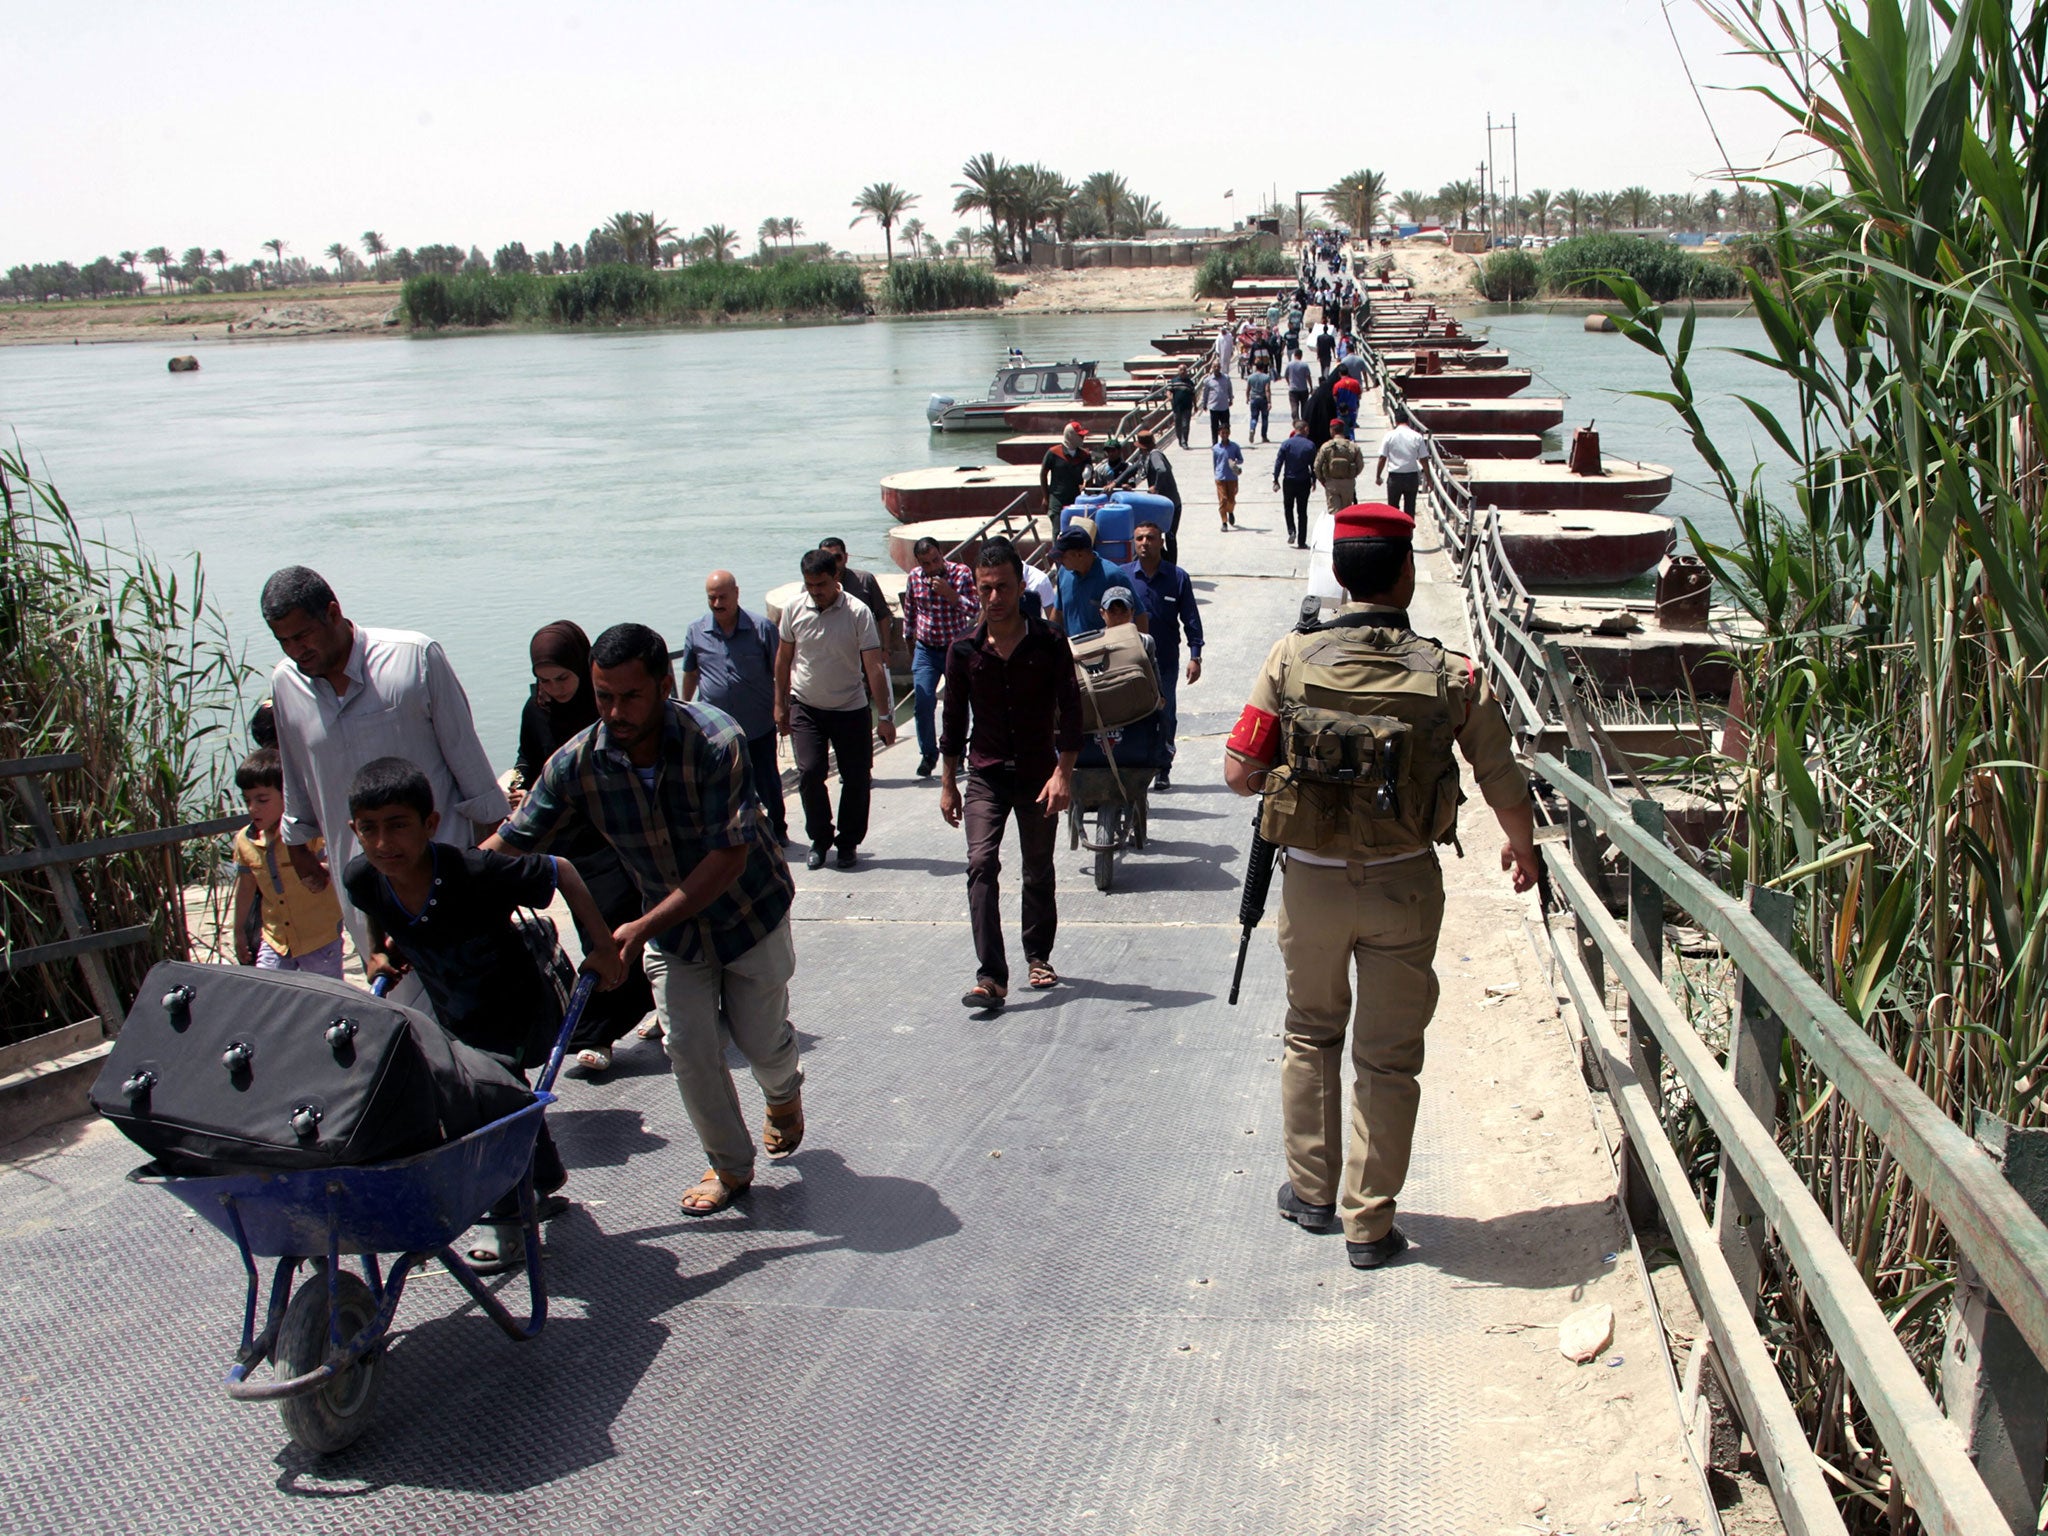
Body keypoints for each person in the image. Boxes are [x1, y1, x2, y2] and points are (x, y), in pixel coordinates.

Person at [1223, 504, 1537, 1271]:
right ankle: (1370, 1225)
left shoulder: (1290, 658)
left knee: (1310, 1033)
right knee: (1388, 1059)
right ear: (1405, 574)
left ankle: (1311, 1194)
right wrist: (1522, 849)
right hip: (1404, 887)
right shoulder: (1453, 673)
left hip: (1312, 889)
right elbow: (1499, 773)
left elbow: (1239, 774)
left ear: (1339, 574)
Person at [490, 622, 804, 1219]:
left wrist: (636, 929)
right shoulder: (577, 761)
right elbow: (512, 840)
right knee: (686, 1047)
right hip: (676, 933)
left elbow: (727, 857)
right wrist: (434, 887)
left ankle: (784, 1092)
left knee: (760, 1040)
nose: (614, 711)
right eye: (603, 696)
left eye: (630, 696)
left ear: (665, 686)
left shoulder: (715, 740)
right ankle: (731, 1167)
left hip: (748, 914)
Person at [346, 756, 625, 1265]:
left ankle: (506, 1216)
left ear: (430, 825)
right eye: (369, 829)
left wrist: (601, 945)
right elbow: (374, 907)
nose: (384, 843)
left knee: (484, 1102)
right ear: (354, 831)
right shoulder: (364, 876)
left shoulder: (471, 872)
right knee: (503, 1096)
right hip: (454, 1009)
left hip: (515, 1004)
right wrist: (378, 952)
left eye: (398, 826)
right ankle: (540, 1178)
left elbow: (560, 869)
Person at [260, 566, 509, 969]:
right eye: (283, 640)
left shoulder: (413, 659)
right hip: (361, 884)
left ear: (333, 612)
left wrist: (493, 849)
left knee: (469, 992)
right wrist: (297, 844)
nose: (295, 650)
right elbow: (295, 770)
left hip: (440, 867)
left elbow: (467, 759)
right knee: (397, 998)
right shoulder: (287, 684)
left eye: (302, 635)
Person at [939, 538, 1081, 1010]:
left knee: (1038, 867)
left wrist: (1064, 774)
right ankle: (991, 977)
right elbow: (954, 720)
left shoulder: (1050, 642)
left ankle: (1038, 956)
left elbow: (1072, 711)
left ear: (1022, 586)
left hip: (1040, 774)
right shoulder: (963, 651)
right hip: (985, 776)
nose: (994, 598)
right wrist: (947, 783)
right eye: (985, 589)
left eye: (1002, 587)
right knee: (981, 864)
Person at [513, 619, 660, 1072]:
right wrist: (522, 785)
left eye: (563, 678)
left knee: (623, 926)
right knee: (595, 928)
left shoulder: (608, 711)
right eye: (545, 681)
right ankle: (647, 1005)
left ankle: (600, 1030)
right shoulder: (535, 711)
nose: (555, 689)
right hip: (568, 841)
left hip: (615, 834)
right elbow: (528, 758)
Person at [776, 548, 896, 869]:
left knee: (856, 778)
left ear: (836, 578)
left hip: (851, 708)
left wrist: (884, 716)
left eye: (822, 585)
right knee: (810, 772)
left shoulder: (858, 613)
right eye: (810, 585)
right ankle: (820, 838)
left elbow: (872, 667)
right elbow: (783, 659)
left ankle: (848, 842)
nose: (816, 592)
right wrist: (780, 704)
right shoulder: (793, 610)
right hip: (806, 706)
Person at [680, 574, 787, 845]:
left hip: (757, 723)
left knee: (767, 780)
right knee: (722, 785)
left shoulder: (761, 628)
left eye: (722, 597)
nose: (716, 603)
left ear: (736, 593)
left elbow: (780, 671)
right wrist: (683, 708)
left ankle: (777, 829)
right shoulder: (696, 631)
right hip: (715, 732)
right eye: (711, 598)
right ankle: (735, 835)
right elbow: (690, 672)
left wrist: (782, 707)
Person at [231, 748, 345, 979]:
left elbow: (335, 866)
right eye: (247, 800)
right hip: (276, 938)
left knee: (326, 998)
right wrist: (239, 931)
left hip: (319, 936)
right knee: (271, 994)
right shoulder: (245, 840)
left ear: (286, 797)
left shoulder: (307, 834)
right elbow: (246, 887)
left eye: (262, 800)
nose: (253, 808)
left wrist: (323, 870)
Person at [1124, 520, 1202, 790]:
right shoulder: (1123, 577)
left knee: (1165, 713)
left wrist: (1196, 655)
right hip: (1128, 662)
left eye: (1150, 538)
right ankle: (1133, 764)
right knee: (1130, 714)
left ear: (1161, 542)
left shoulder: (1177, 577)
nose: (1144, 543)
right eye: (1139, 538)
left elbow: (1191, 618)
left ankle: (1163, 766)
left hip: (1165, 661)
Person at [901, 536, 979, 778]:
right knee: (923, 701)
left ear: (941, 554)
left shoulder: (961, 573)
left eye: (935, 560)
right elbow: (910, 610)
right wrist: (909, 639)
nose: (932, 567)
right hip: (926, 648)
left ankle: (956, 753)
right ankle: (928, 754)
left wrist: (950, 594)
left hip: (954, 647)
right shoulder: (914, 578)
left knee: (957, 703)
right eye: (926, 563)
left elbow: (975, 609)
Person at [1050, 525, 1133, 636]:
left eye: (1062, 556)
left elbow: (1139, 614)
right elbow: (1058, 612)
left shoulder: (1113, 576)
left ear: (1079, 555)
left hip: (1104, 649)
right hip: (1072, 650)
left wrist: (1139, 648)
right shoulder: (1064, 573)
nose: (1059, 560)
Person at [816, 537, 895, 650]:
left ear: (846, 557)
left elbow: (883, 615)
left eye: (837, 558)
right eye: (827, 559)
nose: (833, 564)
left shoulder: (865, 580)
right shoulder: (814, 588)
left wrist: (885, 649)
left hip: (863, 651)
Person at [1133, 427, 1183, 565]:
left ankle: (1172, 566)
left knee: (1170, 536)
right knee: (1156, 534)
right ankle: (1165, 562)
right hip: (1162, 504)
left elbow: (1162, 470)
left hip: (1171, 505)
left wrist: (1156, 487)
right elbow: (1133, 469)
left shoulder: (1155, 455)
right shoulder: (1146, 457)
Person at [1272, 423, 1319, 548]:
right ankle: (1301, 541)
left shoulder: (1286, 444)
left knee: (1288, 508)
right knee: (1302, 511)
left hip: (1289, 481)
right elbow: (1313, 465)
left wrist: (1275, 478)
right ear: (1304, 429)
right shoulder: (1310, 445)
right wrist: (1314, 480)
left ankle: (1291, 530)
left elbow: (1279, 462)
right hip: (1304, 481)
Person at [1377, 417, 1431, 518]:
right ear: (1408, 421)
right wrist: (1429, 479)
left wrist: (1378, 476)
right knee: (1410, 509)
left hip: (1394, 478)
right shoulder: (1417, 436)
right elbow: (1424, 460)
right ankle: (1408, 532)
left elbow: (1382, 458)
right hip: (1411, 478)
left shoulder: (1389, 436)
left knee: (1392, 510)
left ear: (1395, 421)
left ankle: (1394, 532)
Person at [1041, 422, 1092, 520]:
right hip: (1057, 499)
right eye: (1080, 435)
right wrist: (1046, 497)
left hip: (1077, 500)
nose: (1083, 437)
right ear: (1071, 435)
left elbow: (1089, 474)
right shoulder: (1053, 453)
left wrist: (1086, 486)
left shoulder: (1085, 455)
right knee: (1057, 531)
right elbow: (1043, 474)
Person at [1314, 418, 1366, 513]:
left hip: (1332, 483)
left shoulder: (1326, 447)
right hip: (1348, 483)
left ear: (1332, 430)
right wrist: (1352, 475)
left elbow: (1317, 466)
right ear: (1343, 429)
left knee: (1334, 513)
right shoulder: (1353, 446)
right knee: (1346, 513)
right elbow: (1361, 465)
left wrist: (1322, 479)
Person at [1212, 427, 1244, 531]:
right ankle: (1224, 522)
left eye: (1226, 432)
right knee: (1223, 500)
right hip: (1220, 477)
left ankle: (1230, 511)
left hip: (1232, 477)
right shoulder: (1216, 448)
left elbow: (1241, 459)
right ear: (1219, 434)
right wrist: (1216, 474)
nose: (1224, 435)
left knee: (1231, 500)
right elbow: (1215, 463)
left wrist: (1235, 463)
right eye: (1222, 433)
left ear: (1229, 433)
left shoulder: (1234, 447)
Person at [1246, 360, 1274, 444]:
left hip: (1254, 399)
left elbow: (1248, 389)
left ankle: (1252, 428)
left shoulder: (1250, 377)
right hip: (1263, 399)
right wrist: (1269, 402)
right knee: (1264, 418)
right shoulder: (1266, 377)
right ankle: (1264, 436)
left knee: (1254, 417)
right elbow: (1267, 390)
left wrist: (1247, 398)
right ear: (1263, 367)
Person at [1284, 348, 1313, 426]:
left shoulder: (1290, 364)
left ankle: (1296, 422)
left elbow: (1286, 375)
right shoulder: (1304, 365)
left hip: (1293, 389)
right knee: (1304, 407)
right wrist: (1311, 386)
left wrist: (1289, 383)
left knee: (1294, 406)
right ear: (1301, 355)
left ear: (1294, 355)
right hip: (1303, 389)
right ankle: (1303, 422)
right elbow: (1308, 376)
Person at [1168, 370, 1196, 449]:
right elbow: (1168, 391)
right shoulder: (1173, 381)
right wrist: (1170, 397)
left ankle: (1185, 442)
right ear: (1179, 371)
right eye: (1181, 370)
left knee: (1185, 425)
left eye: (1184, 370)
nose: (1183, 372)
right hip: (1177, 407)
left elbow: (1193, 394)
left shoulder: (1189, 382)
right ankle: (1180, 439)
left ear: (1186, 372)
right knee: (1178, 425)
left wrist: (1196, 405)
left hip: (1187, 407)